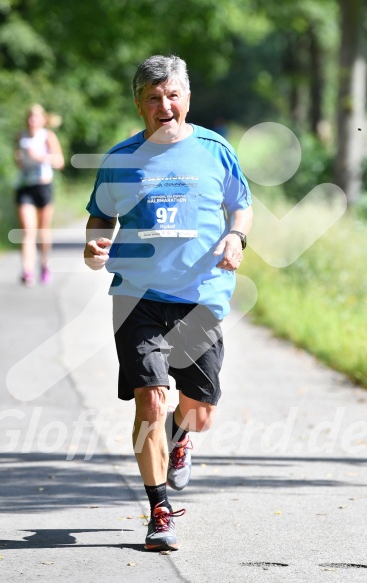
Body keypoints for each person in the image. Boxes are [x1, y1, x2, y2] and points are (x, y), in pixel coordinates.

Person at [83, 55, 253, 551]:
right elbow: (100, 218)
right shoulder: (120, 159)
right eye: (153, 97)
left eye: (173, 95)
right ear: (139, 103)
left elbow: (239, 204)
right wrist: (95, 249)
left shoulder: (214, 149)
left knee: (199, 410)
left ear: (187, 98)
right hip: (137, 295)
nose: (165, 105)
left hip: (201, 297)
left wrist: (237, 238)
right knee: (151, 399)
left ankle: (184, 434)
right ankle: (159, 510)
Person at [14, 104, 64, 286]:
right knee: (28, 231)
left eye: (35, 117)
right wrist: (20, 159)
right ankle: (27, 271)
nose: (32, 120)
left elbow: (60, 162)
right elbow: (17, 160)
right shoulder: (21, 136)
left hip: (44, 186)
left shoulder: (47, 136)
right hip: (25, 186)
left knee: (43, 230)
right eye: (29, 117)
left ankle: (44, 265)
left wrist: (40, 157)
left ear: (43, 119)